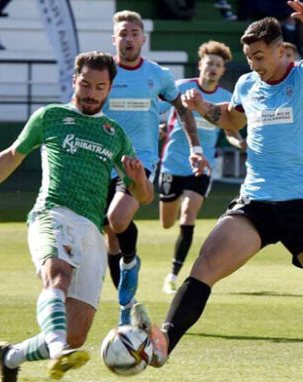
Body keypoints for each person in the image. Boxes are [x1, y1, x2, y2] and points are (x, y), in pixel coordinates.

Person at [165, 5, 303, 381]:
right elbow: (232, 119)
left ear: (279, 49)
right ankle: (162, 345)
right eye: (249, 58)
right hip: (255, 202)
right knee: (205, 266)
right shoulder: (247, 85)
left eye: (259, 56)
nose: (254, 64)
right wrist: (204, 107)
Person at [0, 51, 154, 381]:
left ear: (109, 89)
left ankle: (11, 356)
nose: (91, 93)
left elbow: (144, 198)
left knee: (76, 334)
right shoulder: (50, 117)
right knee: (57, 276)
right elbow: (11, 156)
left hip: (91, 230)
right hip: (52, 214)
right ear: (74, 80)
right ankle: (57, 350)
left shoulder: (115, 133)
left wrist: (138, 179)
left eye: (100, 87)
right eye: (86, 84)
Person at [103, 10, 208, 326]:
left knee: (118, 218)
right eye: (123, 33)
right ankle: (127, 305)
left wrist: (195, 148)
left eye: (134, 32)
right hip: (102, 163)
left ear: (143, 38)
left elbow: (182, 108)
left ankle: (131, 261)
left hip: (141, 161)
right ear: (114, 39)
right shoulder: (103, 73)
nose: (129, 38)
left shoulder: (158, 75)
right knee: (111, 236)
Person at [159, 40, 246, 294]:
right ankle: (174, 265)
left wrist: (238, 142)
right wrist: (158, 128)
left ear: (222, 72)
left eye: (218, 65)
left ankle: (173, 275)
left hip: (202, 166)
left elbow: (229, 131)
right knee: (166, 222)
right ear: (200, 65)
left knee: (188, 214)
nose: (213, 68)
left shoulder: (225, 99)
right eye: (209, 63)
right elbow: (156, 110)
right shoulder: (180, 88)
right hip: (172, 163)